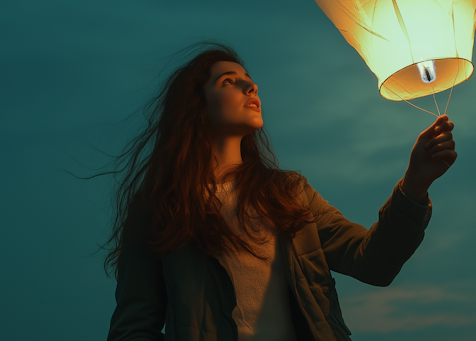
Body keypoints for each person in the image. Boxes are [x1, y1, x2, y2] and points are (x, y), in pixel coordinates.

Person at [105, 42, 456, 341]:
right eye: (230, 82)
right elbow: (133, 328)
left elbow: (374, 263)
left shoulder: (290, 193)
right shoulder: (160, 209)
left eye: (249, 81)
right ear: (197, 106)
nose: (250, 87)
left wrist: (415, 183)